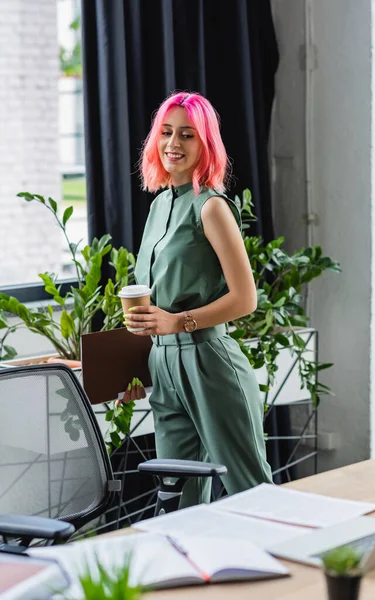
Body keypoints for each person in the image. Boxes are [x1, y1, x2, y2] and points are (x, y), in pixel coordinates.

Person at [123, 91, 273, 508]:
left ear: (205, 144)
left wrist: (178, 322)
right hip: (163, 363)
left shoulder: (211, 207)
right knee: (177, 498)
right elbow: (152, 306)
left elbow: (246, 299)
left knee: (251, 490)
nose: (173, 143)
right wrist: (132, 366)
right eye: (166, 132)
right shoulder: (158, 208)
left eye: (187, 135)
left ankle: (295, 569)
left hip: (209, 360)